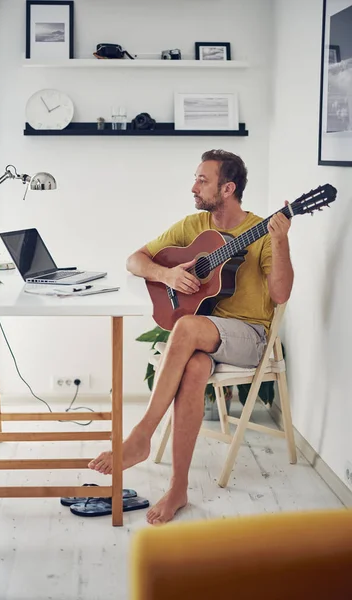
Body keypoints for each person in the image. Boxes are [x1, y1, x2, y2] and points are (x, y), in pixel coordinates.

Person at [89, 149, 294, 524]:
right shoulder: (194, 225)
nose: (193, 186)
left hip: (249, 336)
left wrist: (280, 242)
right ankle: (179, 488)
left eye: (203, 180)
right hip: (207, 334)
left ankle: (141, 435)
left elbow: (280, 295)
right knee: (195, 368)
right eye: (196, 178)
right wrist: (166, 276)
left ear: (228, 188)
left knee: (184, 328)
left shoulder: (262, 231)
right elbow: (135, 260)